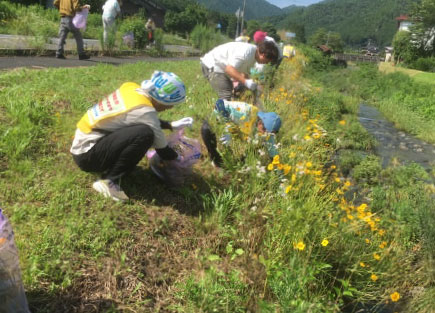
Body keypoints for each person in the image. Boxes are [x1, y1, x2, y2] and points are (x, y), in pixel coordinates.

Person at [70, 71, 193, 201]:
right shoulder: (146, 111)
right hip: (88, 155)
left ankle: (111, 169)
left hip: (83, 143)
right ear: (162, 100)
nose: (170, 108)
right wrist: (180, 158)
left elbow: (139, 117)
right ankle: (109, 181)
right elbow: (163, 150)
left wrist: (170, 125)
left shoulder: (131, 88)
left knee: (143, 130)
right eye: (171, 104)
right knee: (145, 135)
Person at [201, 99, 282, 167]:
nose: (264, 133)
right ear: (261, 122)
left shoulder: (266, 131)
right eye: (264, 129)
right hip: (217, 119)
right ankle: (215, 161)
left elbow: (273, 152)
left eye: (268, 132)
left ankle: (231, 161)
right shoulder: (246, 111)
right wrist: (226, 125)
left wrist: (279, 171)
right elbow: (219, 103)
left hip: (234, 129)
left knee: (251, 150)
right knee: (206, 131)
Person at [200, 41, 279, 100]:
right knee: (226, 94)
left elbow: (244, 74)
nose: (266, 63)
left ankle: (231, 111)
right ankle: (217, 118)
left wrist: (254, 87)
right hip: (212, 64)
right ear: (263, 55)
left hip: (221, 67)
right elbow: (229, 69)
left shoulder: (254, 57)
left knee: (236, 90)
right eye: (267, 61)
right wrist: (246, 82)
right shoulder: (247, 52)